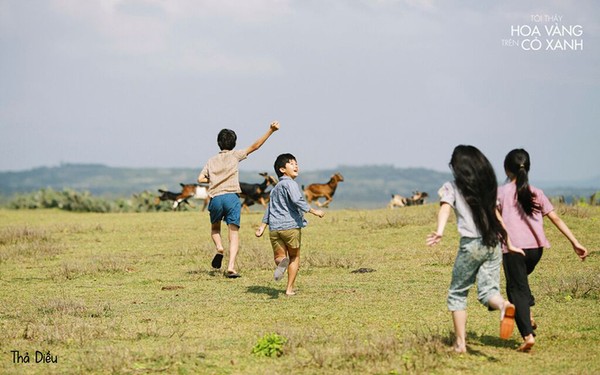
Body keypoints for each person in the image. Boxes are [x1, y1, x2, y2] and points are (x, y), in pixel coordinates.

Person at [426, 145, 523, 354]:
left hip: (471, 245)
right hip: (493, 243)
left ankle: (460, 344)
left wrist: (440, 231)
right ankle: (505, 306)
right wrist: (510, 242)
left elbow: (445, 208)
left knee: (457, 293)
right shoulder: (488, 187)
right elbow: (497, 217)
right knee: (489, 291)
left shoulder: (452, 187)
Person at [497, 148, 588, 352]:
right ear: (527, 168)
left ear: (506, 169)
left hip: (513, 248)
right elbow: (555, 217)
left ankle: (528, 335)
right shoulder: (536, 192)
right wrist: (575, 242)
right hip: (536, 250)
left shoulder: (500, 193)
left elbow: (495, 218)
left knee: (516, 290)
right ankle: (527, 314)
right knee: (519, 283)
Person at [198, 122, 280, 278]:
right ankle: (231, 267)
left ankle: (220, 248)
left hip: (215, 197)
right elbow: (255, 146)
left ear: (218, 143)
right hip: (232, 197)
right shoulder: (235, 155)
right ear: (234, 143)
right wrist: (270, 130)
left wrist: (215, 178)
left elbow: (200, 178)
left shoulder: (211, 160)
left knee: (215, 229)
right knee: (233, 234)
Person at [255, 153, 324, 296]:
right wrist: (313, 211)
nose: (296, 165)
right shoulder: (290, 184)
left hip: (275, 229)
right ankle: (289, 289)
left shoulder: (275, 189)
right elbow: (297, 200)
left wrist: (262, 226)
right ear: (282, 169)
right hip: (290, 227)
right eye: (291, 163)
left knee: (279, 257)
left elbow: (269, 208)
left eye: (296, 163)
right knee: (294, 257)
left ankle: (282, 262)